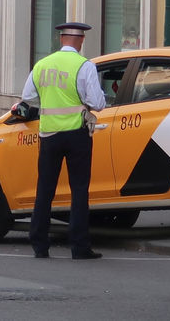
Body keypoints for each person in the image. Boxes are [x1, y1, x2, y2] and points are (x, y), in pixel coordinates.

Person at [19, 21, 106, 260]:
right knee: (79, 190)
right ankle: (79, 246)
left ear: (61, 39)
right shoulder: (84, 66)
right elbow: (98, 102)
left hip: (48, 135)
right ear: (80, 40)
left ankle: (39, 244)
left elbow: (28, 97)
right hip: (77, 134)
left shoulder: (42, 65)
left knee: (44, 190)